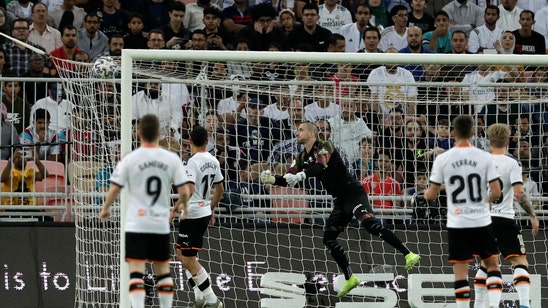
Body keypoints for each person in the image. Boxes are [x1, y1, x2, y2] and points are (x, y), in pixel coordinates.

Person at [260, 122, 420, 297]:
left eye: (301, 130)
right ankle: (350, 277)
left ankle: (408, 254)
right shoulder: (302, 157)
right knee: (329, 239)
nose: (297, 133)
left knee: (370, 224)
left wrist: (300, 175)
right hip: (340, 203)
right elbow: (289, 176)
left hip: (353, 194)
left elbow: (321, 164)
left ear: (312, 133)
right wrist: (273, 180)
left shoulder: (325, 145)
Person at [100, 114, 190, 308]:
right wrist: (184, 208)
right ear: (159, 134)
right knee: (163, 271)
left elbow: (115, 187)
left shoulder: (130, 158)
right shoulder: (171, 159)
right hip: (159, 222)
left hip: (137, 223)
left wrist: (106, 208)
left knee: (136, 271)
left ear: (139, 133)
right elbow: (184, 190)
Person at [424, 115, 503, 307]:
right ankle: (493, 304)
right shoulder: (485, 157)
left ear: (453, 133)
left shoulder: (443, 158)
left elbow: (430, 195)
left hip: (457, 222)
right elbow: (497, 191)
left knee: (460, 271)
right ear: (473, 133)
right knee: (492, 264)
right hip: (481, 220)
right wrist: (485, 201)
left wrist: (429, 191)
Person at [472, 123, 539, 308]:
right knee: (520, 260)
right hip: (503, 219)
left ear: (490, 140)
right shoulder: (512, 163)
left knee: (487, 264)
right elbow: (519, 194)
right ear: (508, 140)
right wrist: (532, 215)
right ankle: (525, 304)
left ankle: (479, 305)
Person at [174, 126, 224, 308]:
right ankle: (199, 296)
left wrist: (174, 210)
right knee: (182, 255)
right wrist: (210, 209)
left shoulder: (192, 161)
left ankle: (213, 301)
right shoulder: (214, 160)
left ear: (190, 141)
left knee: (188, 260)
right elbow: (220, 190)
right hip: (202, 212)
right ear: (207, 141)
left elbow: (190, 189)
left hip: (192, 214)